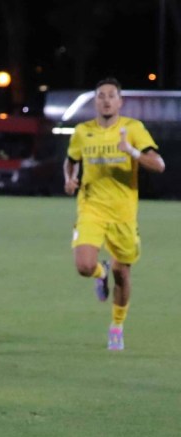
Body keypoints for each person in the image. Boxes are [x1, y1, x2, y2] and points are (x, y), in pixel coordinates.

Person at [63, 77, 166, 351]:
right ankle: (100, 271)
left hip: (123, 214)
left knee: (122, 274)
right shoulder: (82, 131)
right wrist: (69, 179)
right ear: (95, 102)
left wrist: (131, 151)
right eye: (101, 96)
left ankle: (117, 326)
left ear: (120, 102)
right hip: (91, 208)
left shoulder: (133, 129)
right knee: (84, 266)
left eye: (111, 96)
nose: (106, 100)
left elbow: (159, 164)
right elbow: (71, 161)